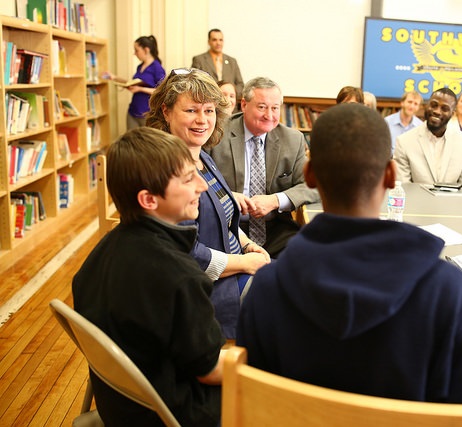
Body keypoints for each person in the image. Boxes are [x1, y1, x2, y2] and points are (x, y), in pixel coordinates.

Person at [236, 103, 462, 404]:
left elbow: (256, 405)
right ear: (390, 175)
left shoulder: (267, 290)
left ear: (309, 175)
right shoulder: (448, 291)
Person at [72, 127, 226, 425]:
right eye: (187, 178)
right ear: (148, 199)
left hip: (121, 406)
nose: (202, 186)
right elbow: (209, 371)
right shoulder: (180, 277)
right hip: (172, 413)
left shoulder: (101, 253)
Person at [146, 68, 270, 339]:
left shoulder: (203, 157)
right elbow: (189, 255)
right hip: (206, 292)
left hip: (232, 269)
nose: (202, 120)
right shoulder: (166, 171)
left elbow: (223, 218)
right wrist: (245, 263)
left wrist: (248, 244)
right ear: (166, 112)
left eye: (209, 110)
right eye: (191, 111)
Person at [209, 76, 319, 258]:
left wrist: (276, 200)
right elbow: (200, 181)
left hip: (275, 228)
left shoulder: (292, 139)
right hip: (227, 226)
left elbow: (312, 185)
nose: (269, 115)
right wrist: (228, 198)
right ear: (244, 105)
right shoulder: (217, 134)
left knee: (306, 257)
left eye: (275, 108)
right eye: (262, 107)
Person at [394, 88, 462, 185]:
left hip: (452, 200)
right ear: (426, 106)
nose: (437, 111)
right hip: (416, 200)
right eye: (434, 105)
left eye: (444, 108)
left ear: (452, 114)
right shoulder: (404, 141)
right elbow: (402, 187)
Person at [103, 35, 165, 130]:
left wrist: (140, 89)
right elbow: (133, 82)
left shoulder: (157, 68)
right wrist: (114, 77)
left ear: (146, 50)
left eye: (136, 50)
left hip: (147, 114)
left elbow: (161, 91)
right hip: (133, 111)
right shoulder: (140, 67)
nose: (134, 53)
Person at [191, 28, 244, 100]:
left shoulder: (232, 61)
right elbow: (194, 83)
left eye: (220, 40)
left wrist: (231, 93)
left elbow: (240, 84)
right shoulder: (199, 60)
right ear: (209, 42)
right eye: (214, 40)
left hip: (230, 104)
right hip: (208, 101)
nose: (218, 43)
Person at [384, 90, 423, 155]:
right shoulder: (387, 122)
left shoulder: (421, 127)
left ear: (418, 107)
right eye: (409, 102)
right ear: (402, 103)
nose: (412, 106)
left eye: (415, 104)